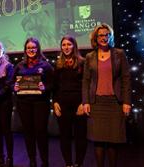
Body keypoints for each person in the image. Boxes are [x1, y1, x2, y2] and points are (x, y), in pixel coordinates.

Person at [82, 23, 131, 167]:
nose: (104, 38)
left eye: (106, 35)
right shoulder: (90, 57)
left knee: (113, 140)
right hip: (96, 103)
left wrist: (126, 102)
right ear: (95, 38)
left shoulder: (119, 54)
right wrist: (85, 102)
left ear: (110, 36)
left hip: (115, 103)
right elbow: (85, 81)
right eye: (101, 35)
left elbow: (126, 78)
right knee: (98, 140)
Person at [13, 37, 54, 167]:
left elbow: (53, 83)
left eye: (33, 48)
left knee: (41, 132)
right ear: (25, 50)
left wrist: (45, 87)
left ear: (38, 49)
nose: (31, 50)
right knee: (28, 132)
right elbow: (10, 82)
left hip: (41, 103)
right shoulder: (19, 65)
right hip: (24, 103)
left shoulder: (45, 65)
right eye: (28, 48)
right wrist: (14, 87)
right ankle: (32, 161)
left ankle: (45, 161)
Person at [53, 35, 87, 167]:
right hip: (62, 105)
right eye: (64, 45)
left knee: (80, 138)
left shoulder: (83, 62)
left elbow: (86, 85)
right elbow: (55, 87)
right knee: (64, 137)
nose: (66, 47)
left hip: (79, 105)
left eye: (69, 44)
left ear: (74, 46)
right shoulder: (57, 64)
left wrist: (83, 103)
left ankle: (79, 163)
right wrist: (55, 102)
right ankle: (68, 164)